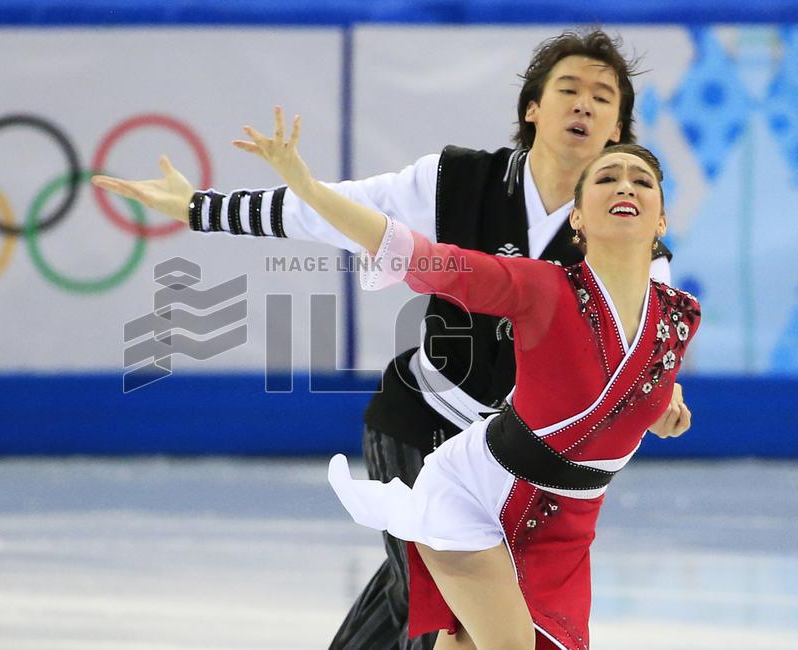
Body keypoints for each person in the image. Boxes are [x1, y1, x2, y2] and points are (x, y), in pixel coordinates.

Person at [92, 31, 691, 649]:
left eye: (602, 97)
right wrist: (200, 208)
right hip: (420, 421)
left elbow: (639, 362)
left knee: (422, 595)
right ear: (532, 108)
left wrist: (663, 402)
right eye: (569, 89)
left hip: (514, 463)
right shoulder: (458, 181)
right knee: (444, 606)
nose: (584, 105)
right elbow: (331, 212)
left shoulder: (638, 250)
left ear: (620, 127)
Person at [214, 108, 699, 649]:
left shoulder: (678, 317)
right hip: (477, 496)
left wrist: (661, 409)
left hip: (565, 529)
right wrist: (307, 187)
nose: (624, 185)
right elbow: (422, 256)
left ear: (661, 219)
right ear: (578, 220)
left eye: (642, 180)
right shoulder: (541, 287)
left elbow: (620, 387)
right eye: (606, 178)